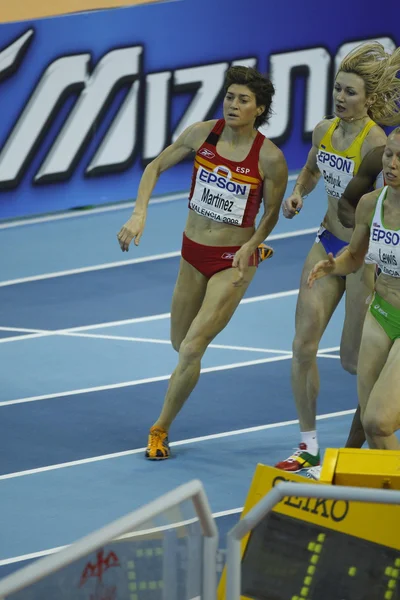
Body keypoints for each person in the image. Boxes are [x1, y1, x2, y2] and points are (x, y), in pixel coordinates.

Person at [117, 66, 288, 460]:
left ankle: (159, 429)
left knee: (193, 348)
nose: (233, 104)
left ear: (259, 109)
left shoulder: (269, 157)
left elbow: (271, 213)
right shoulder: (201, 134)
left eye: (243, 100)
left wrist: (255, 243)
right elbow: (154, 167)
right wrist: (139, 213)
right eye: (230, 96)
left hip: (234, 259)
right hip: (192, 252)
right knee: (179, 343)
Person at [275, 41, 400, 473]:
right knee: (302, 346)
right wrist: (296, 193)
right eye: (338, 89)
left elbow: (368, 206)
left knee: (353, 362)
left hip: (363, 259)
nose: (340, 98)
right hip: (327, 243)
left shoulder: (378, 144)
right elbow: (312, 168)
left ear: (370, 100)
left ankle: (364, 449)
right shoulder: (324, 130)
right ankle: (307, 445)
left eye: (350, 92)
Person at [308, 127, 400, 452]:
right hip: (380, 314)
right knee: (372, 425)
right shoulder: (371, 204)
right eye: (389, 154)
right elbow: (356, 257)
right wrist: (334, 266)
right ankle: (385, 497)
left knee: (379, 420)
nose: (392, 164)